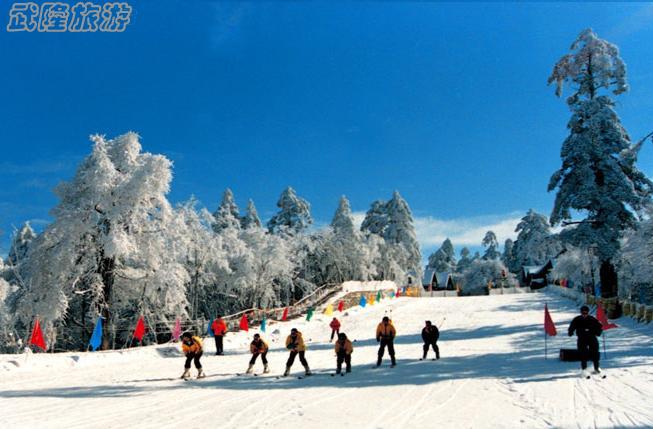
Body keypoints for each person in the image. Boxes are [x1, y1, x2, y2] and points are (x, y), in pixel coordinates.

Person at [568, 305, 603, 374]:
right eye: (583, 313)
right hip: (582, 338)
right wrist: (570, 332)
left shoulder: (592, 319)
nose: (584, 315)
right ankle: (584, 369)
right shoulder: (577, 319)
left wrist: (598, 332)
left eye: (586, 313)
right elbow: (572, 326)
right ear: (581, 313)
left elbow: (599, 326)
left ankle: (596, 368)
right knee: (583, 353)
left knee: (595, 353)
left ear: (588, 312)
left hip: (591, 338)